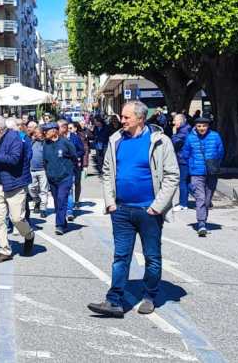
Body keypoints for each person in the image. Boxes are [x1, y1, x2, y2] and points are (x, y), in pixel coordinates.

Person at [87, 101, 179, 318]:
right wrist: (110, 202)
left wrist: (157, 207)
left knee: (152, 256)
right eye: (122, 116)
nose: (122, 120)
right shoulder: (116, 139)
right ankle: (114, 301)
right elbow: (107, 171)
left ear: (140, 118)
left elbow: (172, 175)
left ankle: (149, 295)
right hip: (121, 210)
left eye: (127, 117)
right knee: (120, 256)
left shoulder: (160, 141)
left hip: (149, 210)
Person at [0, 115, 35, 263]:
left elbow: (14, 159)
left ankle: (29, 235)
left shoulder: (14, 138)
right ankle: (5, 250)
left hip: (15, 184)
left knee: (17, 218)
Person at [181, 117, 224, 237]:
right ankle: (201, 224)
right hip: (196, 172)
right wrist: (192, 166)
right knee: (200, 197)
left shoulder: (215, 136)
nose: (202, 128)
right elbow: (185, 154)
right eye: (199, 126)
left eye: (204, 126)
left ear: (208, 126)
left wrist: (215, 165)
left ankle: (203, 220)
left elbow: (220, 152)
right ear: (195, 126)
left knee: (207, 199)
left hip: (212, 172)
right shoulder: (190, 138)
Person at [42, 123, 77, 235]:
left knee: (62, 200)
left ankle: (60, 225)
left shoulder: (65, 142)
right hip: (52, 178)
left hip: (65, 178)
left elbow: (74, 157)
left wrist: (70, 172)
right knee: (57, 202)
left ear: (54, 131)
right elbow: (45, 161)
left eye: (46, 131)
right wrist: (48, 173)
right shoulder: (45, 144)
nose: (44, 133)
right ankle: (63, 222)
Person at [26, 121, 51, 218]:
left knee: (44, 190)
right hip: (32, 170)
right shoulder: (31, 142)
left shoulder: (46, 143)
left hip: (43, 170)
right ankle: (37, 201)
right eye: (35, 133)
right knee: (31, 189)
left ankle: (43, 209)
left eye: (38, 133)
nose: (36, 135)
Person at [65, 120, 87, 221]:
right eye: (66, 128)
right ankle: (67, 209)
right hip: (63, 167)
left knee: (75, 184)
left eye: (70, 128)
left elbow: (82, 150)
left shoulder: (76, 138)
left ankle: (75, 203)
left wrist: (74, 156)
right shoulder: (59, 137)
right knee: (68, 188)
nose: (68, 130)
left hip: (75, 166)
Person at [171, 114, 192, 211]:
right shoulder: (186, 129)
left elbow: (174, 142)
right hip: (185, 159)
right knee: (186, 181)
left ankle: (183, 204)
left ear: (181, 121)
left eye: (175, 120)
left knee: (183, 181)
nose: (173, 123)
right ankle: (186, 202)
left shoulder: (184, 131)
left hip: (184, 159)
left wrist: (174, 133)